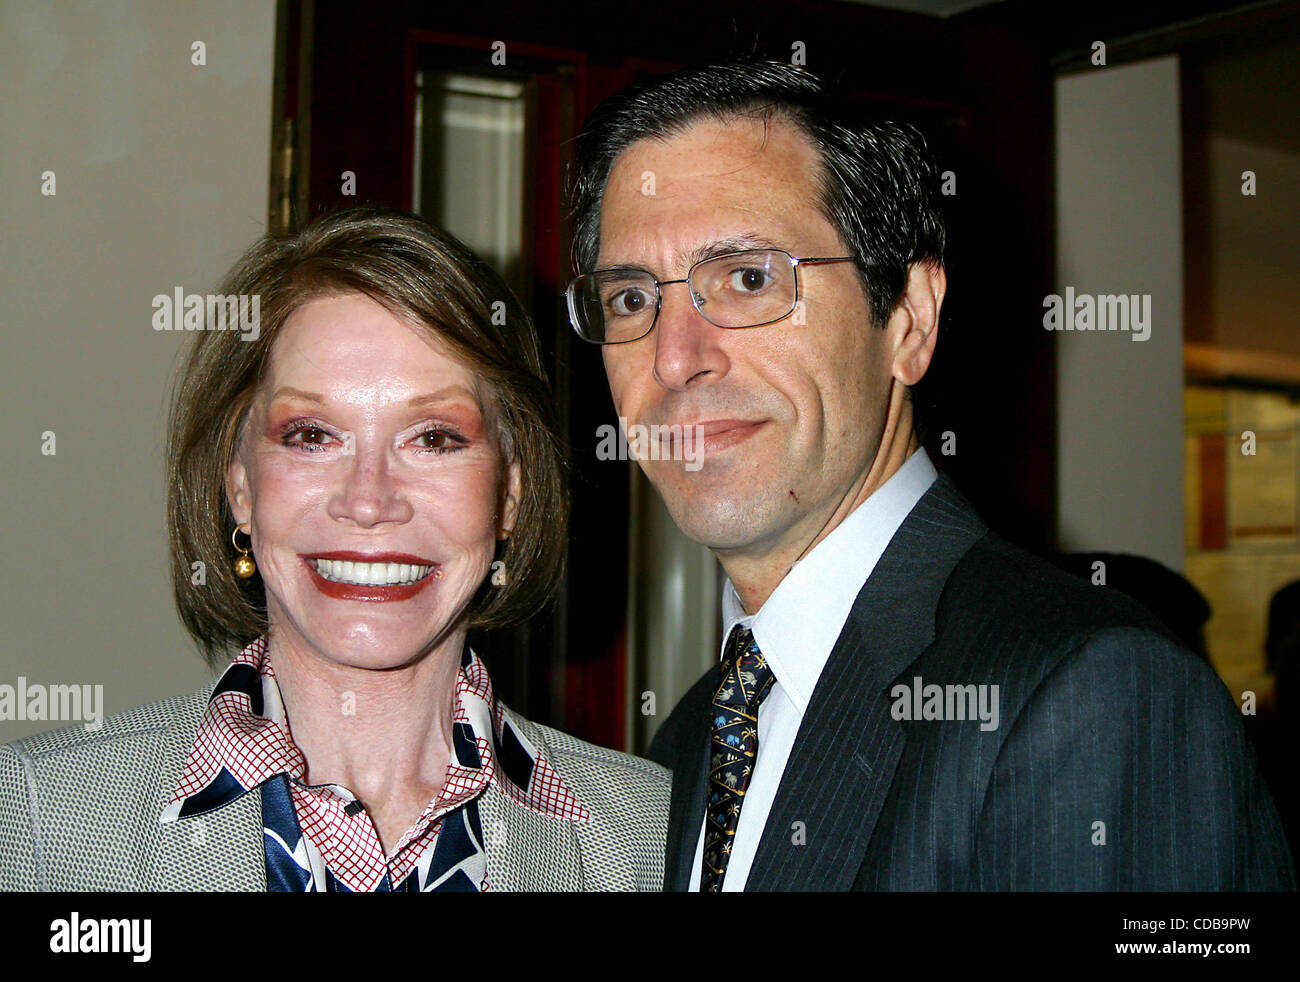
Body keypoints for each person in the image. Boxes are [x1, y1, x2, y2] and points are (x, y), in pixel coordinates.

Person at [565, 61, 1294, 891]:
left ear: (910, 318)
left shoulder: (1091, 697)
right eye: (630, 300)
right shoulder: (691, 738)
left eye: (748, 278)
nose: (672, 358)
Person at [0, 207, 668, 892]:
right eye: (312, 435)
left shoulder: (655, 834)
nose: (369, 500)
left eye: (434, 438)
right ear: (240, 487)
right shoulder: (36, 818)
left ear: (508, 498)